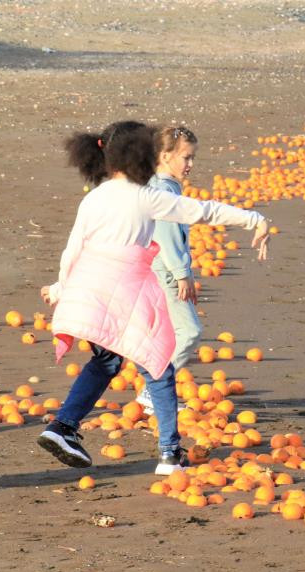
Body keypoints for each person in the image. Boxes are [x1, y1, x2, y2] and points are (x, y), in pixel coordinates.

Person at [37, 120, 270, 475]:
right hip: (126, 293)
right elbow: (202, 211)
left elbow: (73, 250)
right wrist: (254, 218)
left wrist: (59, 288)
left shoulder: (95, 196)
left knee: (106, 362)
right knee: (159, 366)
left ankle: (62, 427)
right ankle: (169, 454)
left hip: (90, 289)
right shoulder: (145, 197)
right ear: (141, 155)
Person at [134, 126, 202, 413]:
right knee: (188, 332)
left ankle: (153, 388)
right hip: (166, 270)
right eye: (186, 158)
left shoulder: (164, 185)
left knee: (167, 332)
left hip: (161, 269)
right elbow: (167, 235)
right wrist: (182, 273)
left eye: (192, 158)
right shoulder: (163, 190)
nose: (190, 164)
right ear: (164, 156)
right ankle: (154, 390)